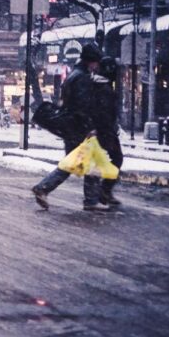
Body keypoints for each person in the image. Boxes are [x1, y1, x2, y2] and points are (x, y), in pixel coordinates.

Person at [32, 42, 103, 211]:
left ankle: (45, 188)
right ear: (90, 61)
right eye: (95, 62)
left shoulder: (73, 75)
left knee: (72, 163)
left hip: (70, 126)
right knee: (87, 163)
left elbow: (68, 103)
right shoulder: (83, 78)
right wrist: (90, 127)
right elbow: (83, 106)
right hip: (78, 127)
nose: (97, 65)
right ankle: (90, 201)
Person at [93, 56, 124, 207]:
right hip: (104, 130)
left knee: (94, 162)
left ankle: (102, 192)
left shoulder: (98, 85)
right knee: (116, 159)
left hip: (100, 130)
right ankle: (104, 190)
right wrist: (109, 129)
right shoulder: (104, 88)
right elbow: (105, 112)